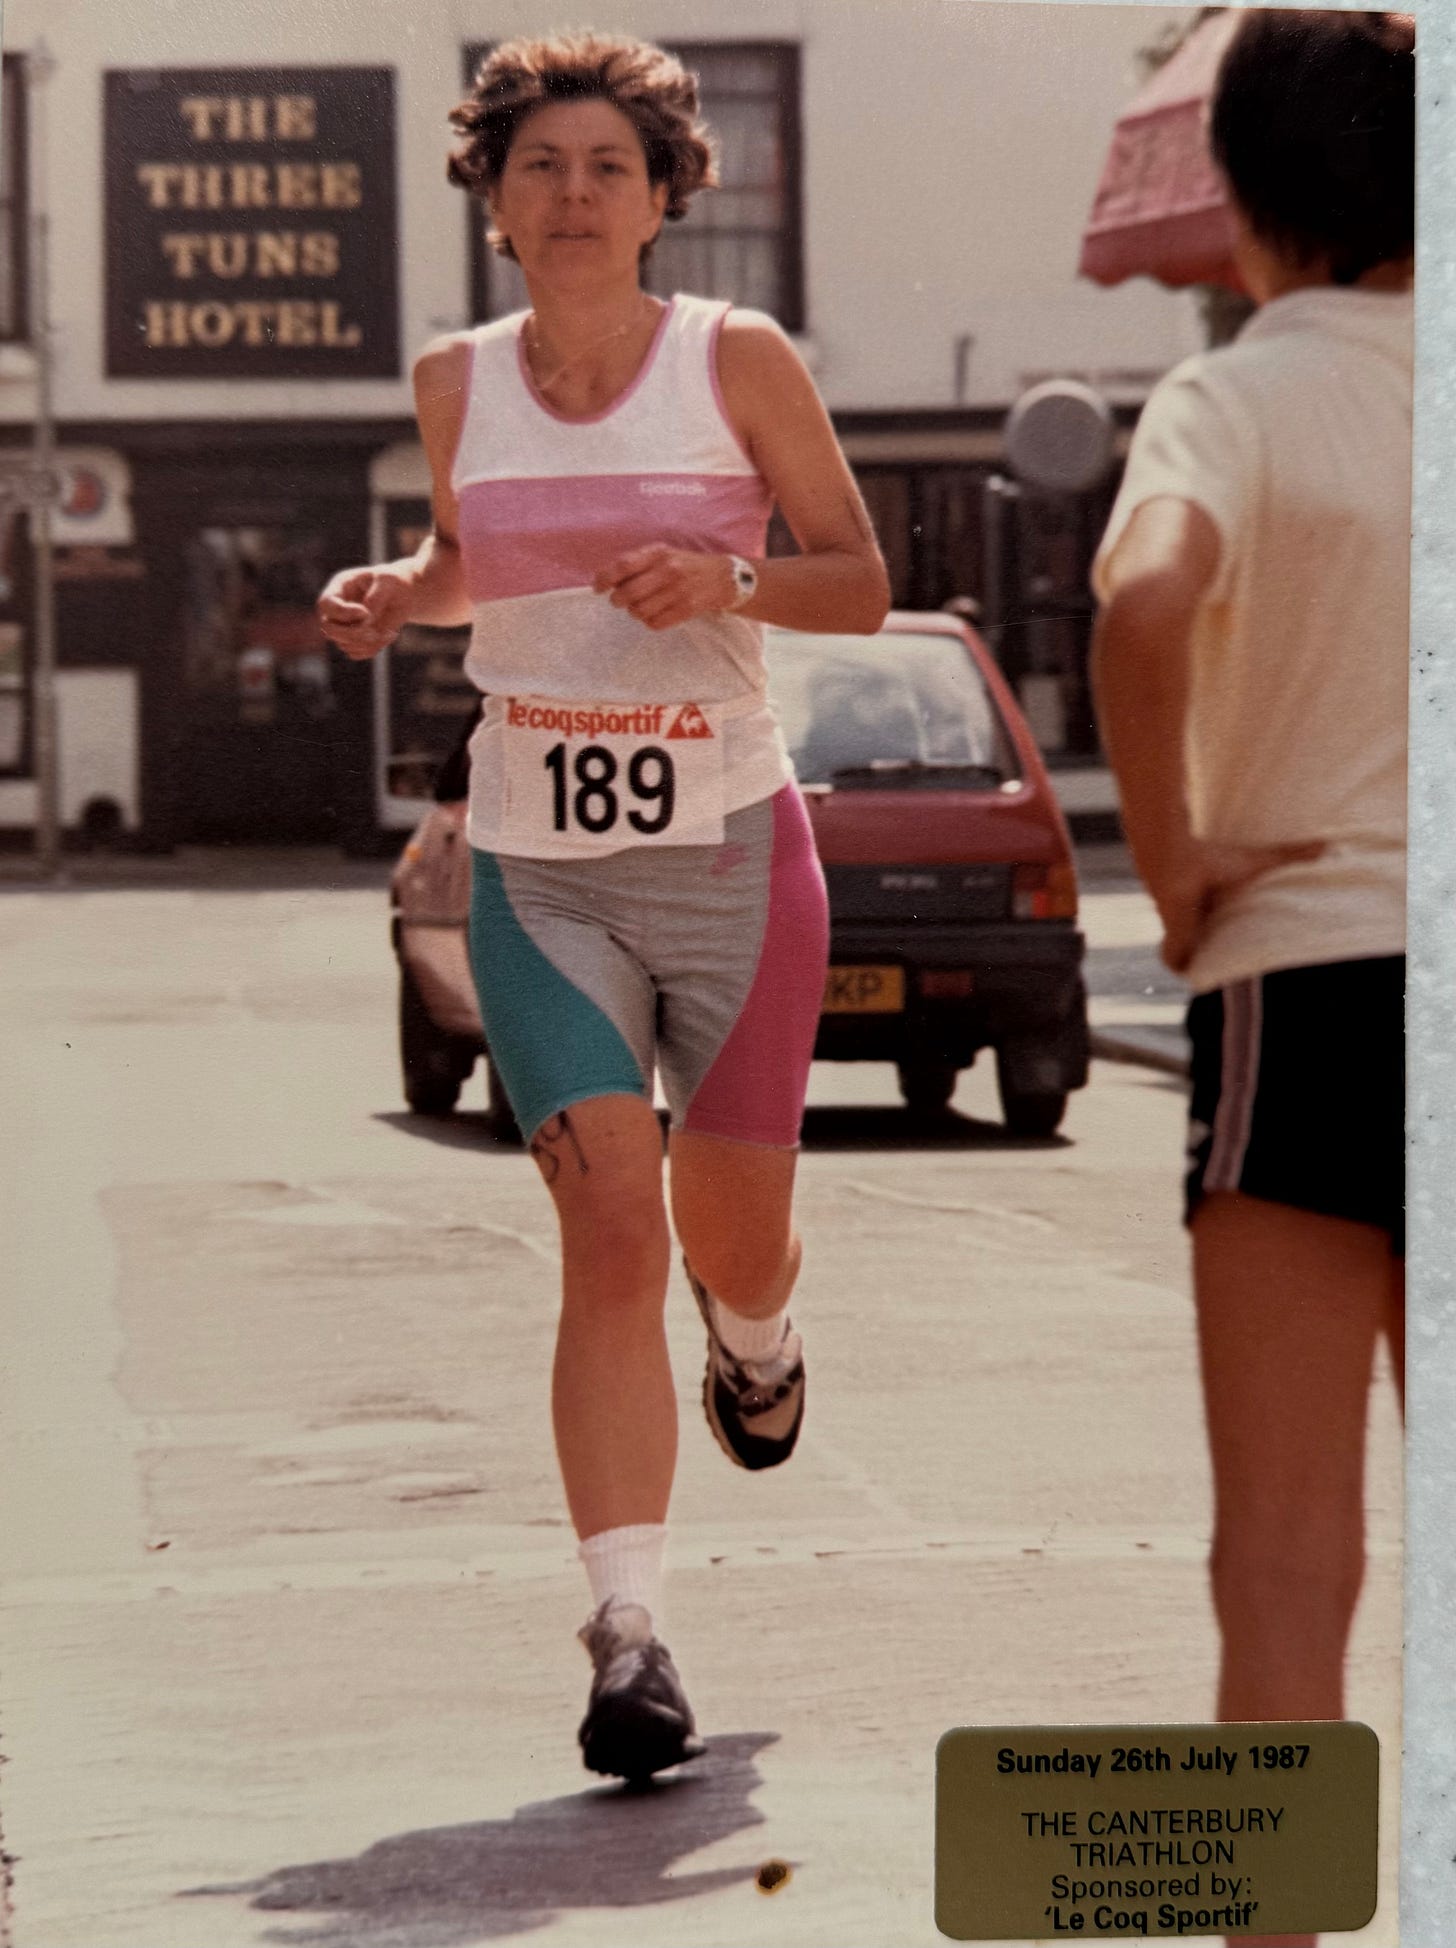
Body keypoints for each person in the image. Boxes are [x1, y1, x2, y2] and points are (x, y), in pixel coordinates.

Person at [318, 31, 889, 1783]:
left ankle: (762, 1338)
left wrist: (729, 578)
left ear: (663, 206)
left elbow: (860, 583)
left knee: (727, 1240)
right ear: (494, 198)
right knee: (609, 1237)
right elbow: (477, 560)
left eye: (609, 170)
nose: (574, 194)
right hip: (534, 861)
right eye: (541, 166)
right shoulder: (453, 376)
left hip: (729, 851)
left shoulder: (738, 359)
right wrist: (394, 592)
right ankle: (627, 1636)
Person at [1091, 15, 1411, 1944]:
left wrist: (1182, 866)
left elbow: (1143, 606)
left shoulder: (1239, 391)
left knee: (1288, 1565)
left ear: (1245, 189)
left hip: (1310, 976)